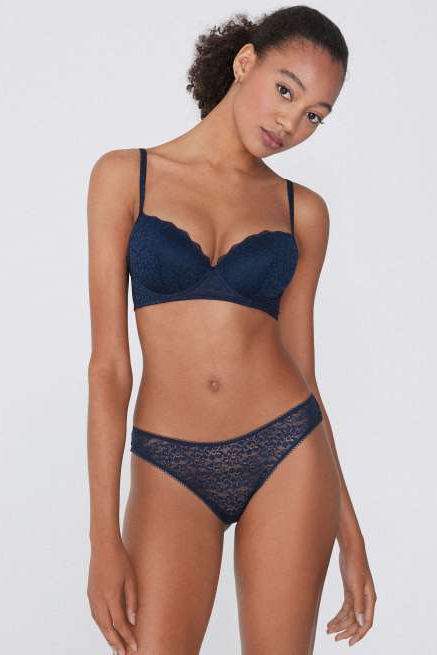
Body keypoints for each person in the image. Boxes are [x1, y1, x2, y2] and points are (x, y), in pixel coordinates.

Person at [86, 6, 376, 654]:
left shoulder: (302, 212)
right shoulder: (125, 176)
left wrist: (350, 537)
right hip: (169, 462)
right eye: (285, 91)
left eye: (315, 116)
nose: (291, 124)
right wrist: (102, 535)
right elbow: (109, 367)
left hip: (287, 452)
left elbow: (303, 372)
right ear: (246, 62)